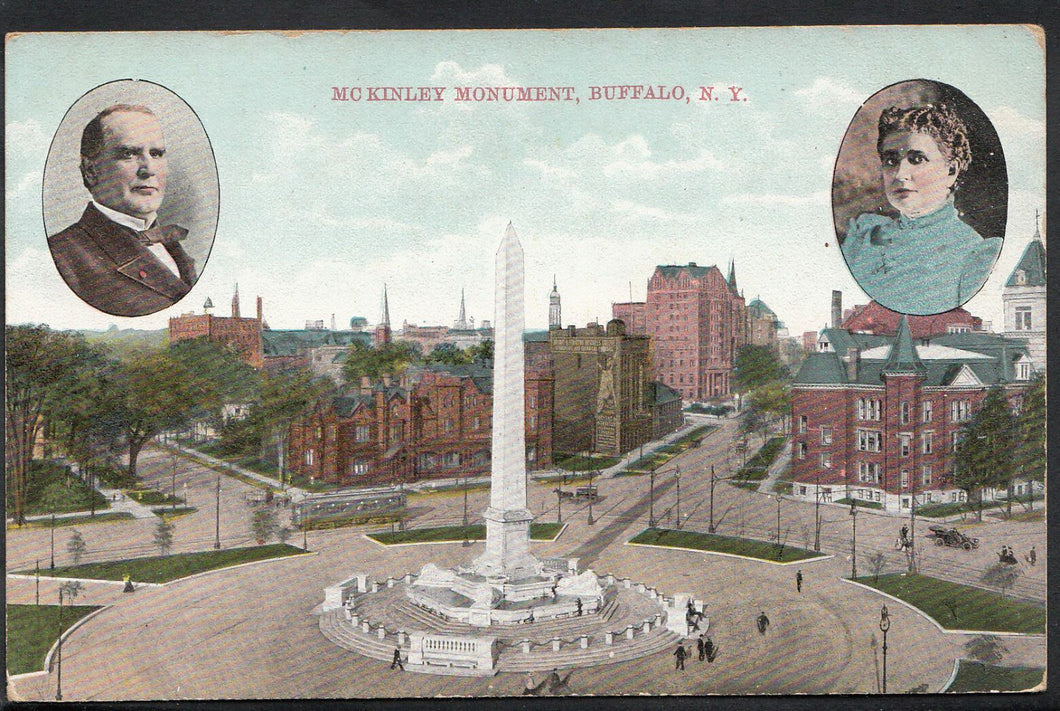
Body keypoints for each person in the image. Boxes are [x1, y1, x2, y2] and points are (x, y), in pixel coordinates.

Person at [841, 103, 1001, 315]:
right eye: (891, 160)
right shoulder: (864, 237)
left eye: (917, 159)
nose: (900, 174)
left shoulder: (973, 255)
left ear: (951, 170)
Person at [48, 104, 197, 317]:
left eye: (156, 154)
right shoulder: (62, 256)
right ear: (91, 171)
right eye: (128, 154)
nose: (149, 169)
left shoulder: (176, 250)